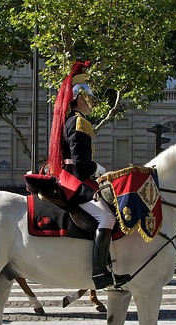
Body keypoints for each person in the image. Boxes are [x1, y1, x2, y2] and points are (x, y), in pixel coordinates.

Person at [47, 60, 129, 290]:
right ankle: (99, 273)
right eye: (90, 100)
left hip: (70, 176)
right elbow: (82, 164)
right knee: (107, 218)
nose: (92, 104)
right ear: (80, 98)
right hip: (75, 181)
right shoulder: (79, 122)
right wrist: (99, 169)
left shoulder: (69, 121)